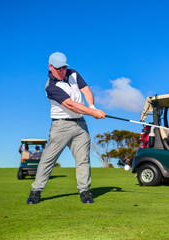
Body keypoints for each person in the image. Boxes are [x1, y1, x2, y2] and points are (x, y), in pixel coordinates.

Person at [27, 52, 106, 205]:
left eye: (64, 67)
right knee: (48, 159)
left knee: (83, 159)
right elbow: (71, 105)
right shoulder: (50, 86)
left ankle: (84, 191)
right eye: (58, 68)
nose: (62, 70)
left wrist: (92, 107)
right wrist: (93, 113)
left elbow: (86, 90)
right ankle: (35, 191)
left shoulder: (73, 73)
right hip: (60, 126)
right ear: (50, 67)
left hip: (80, 124)